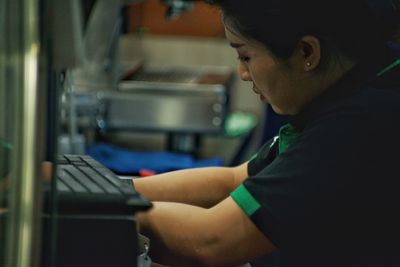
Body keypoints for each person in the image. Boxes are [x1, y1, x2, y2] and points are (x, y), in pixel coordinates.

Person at [133, 0, 400, 266]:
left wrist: (106, 211)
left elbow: (210, 240)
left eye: (246, 56)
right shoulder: (352, 91)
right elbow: (234, 180)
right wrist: (118, 189)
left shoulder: (359, 124)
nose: (242, 73)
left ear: (307, 53)